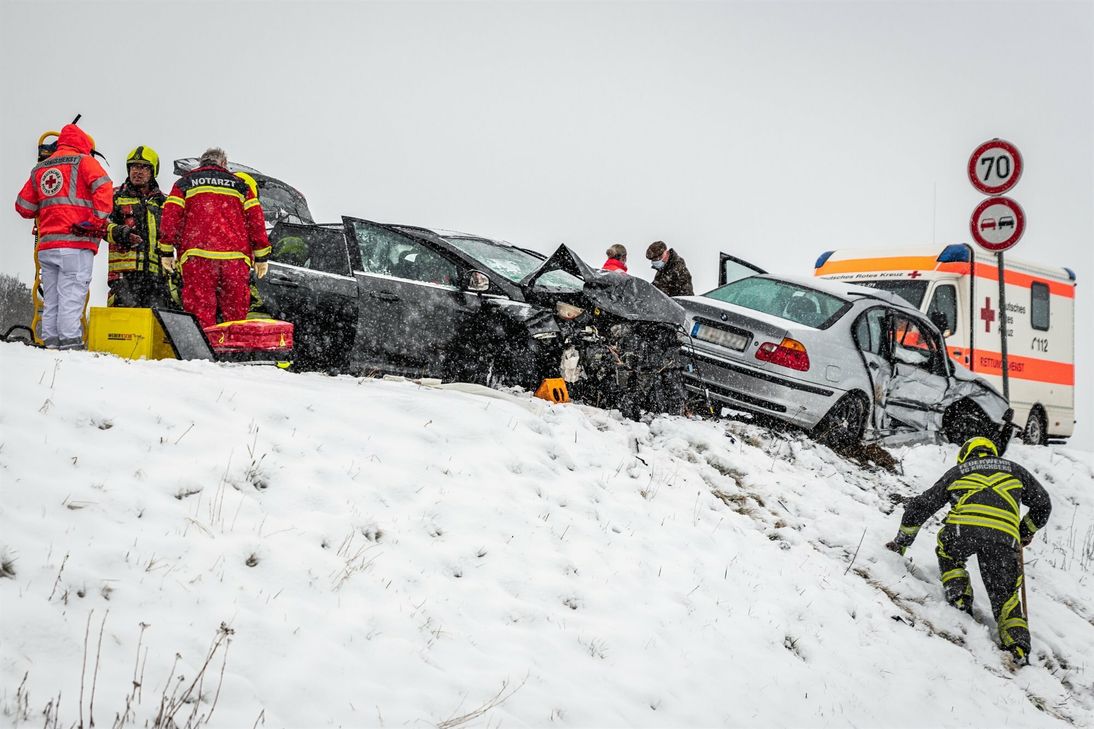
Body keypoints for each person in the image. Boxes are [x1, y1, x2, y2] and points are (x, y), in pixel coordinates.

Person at [885, 436, 1052, 666]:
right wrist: (1024, 531)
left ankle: (960, 598)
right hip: (1004, 538)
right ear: (993, 453)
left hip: (963, 530)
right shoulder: (1015, 471)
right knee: (1006, 595)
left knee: (949, 553)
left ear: (965, 455)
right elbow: (1043, 504)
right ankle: (1018, 648)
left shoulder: (959, 471)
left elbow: (921, 506)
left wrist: (902, 542)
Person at [15, 122, 112, 349]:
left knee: (52, 300)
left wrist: (49, 209)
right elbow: (104, 187)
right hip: (76, 243)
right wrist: (96, 221)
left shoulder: (40, 168)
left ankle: (50, 344)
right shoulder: (85, 162)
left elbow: (23, 207)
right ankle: (70, 346)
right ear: (83, 143)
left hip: (47, 246)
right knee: (72, 296)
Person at [158, 148, 271, 329]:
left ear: (201, 163)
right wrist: (261, 257)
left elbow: (170, 218)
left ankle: (204, 353)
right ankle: (233, 352)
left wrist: (166, 251)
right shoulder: (241, 185)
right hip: (234, 259)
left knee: (200, 311)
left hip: (197, 257)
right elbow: (256, 222)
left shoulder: (184, 183)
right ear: (224, 164)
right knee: (235, 314)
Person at [105, 146, 171, 308]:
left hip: (158, 278)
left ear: (153, 171)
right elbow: (98, 223)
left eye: (144, 167)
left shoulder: (165, 202)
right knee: (124, 326)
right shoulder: (114, 196)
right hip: (124, 276)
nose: (137, 172)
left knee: (157, 327)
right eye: (134, 166)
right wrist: (119, 232)